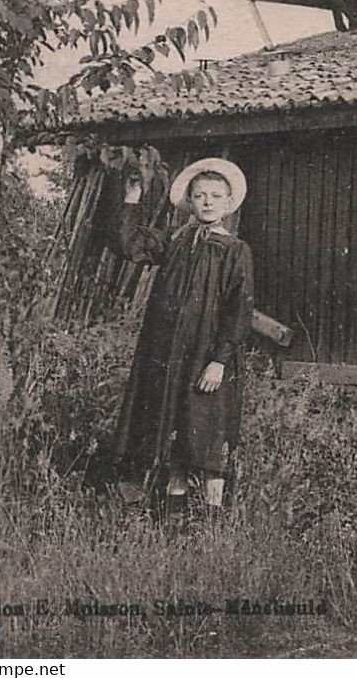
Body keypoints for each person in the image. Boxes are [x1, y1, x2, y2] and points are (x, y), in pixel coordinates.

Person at [111, 157, 254, 511]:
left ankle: (212, 526)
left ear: (228, 203)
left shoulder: (235, 251)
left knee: (209, 435)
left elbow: (240, 311)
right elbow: (131, 244)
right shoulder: (176, 242)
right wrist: (132, 198)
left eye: (215, 196)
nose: (207, 201)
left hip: (207, 358)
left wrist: (220, 361)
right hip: (172, 357)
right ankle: (174, 525)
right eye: (200, 195)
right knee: (177, 437)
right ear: (189, 201)